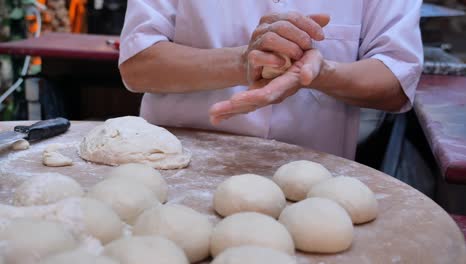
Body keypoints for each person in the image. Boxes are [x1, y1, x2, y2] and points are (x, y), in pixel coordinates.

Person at [118, 1, 423, 160]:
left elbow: (395, 82)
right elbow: (138, 64)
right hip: (177, 168)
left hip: (314, 185)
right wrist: (244, 62)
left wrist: (322, 73)